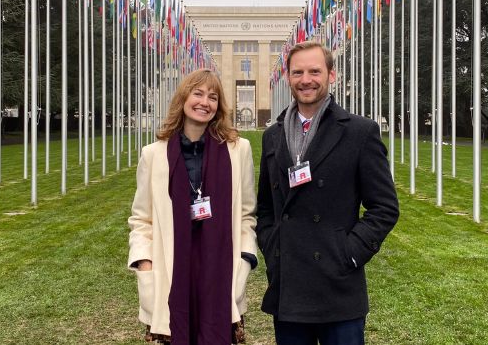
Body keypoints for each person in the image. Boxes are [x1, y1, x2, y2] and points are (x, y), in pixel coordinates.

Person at [256, 41, 399, 345]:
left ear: (331, 75)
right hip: (290, 286)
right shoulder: (272, 136)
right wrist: (273, 247)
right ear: (288, 77)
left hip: (338, 287)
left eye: (314, 71)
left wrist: (348, 253)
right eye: (298, 72)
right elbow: (266, 207)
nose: (305, 79)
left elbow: (384, 207)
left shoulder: (360, 132)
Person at [128, 68, 258, 345]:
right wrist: (144, 262)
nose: (205, 102)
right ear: (183, 99)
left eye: (213, 97)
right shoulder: (153, 155)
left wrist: (245, 259)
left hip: (220, 267)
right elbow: (141, 218)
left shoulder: (239, 150)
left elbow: (247, 213)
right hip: (171, 267)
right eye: (197, 93)